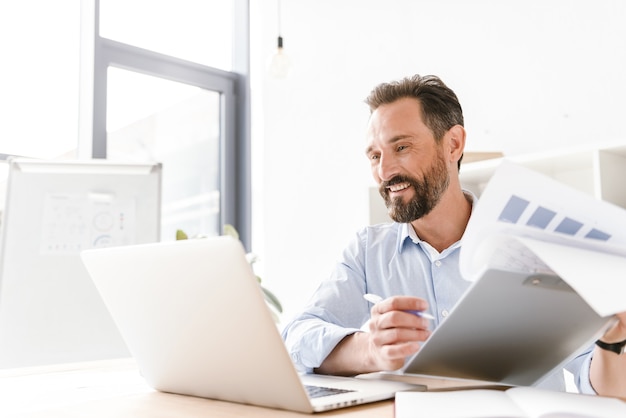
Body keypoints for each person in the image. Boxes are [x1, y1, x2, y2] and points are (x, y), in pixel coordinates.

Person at [281, 74, 626, 398]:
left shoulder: (537, 248)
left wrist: (614, 340)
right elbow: (295, 338)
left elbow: (601, 390)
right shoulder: (368, 252)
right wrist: (369, 349)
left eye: (401, 147)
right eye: (375, 155)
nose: (384, 171)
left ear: (454, 144)